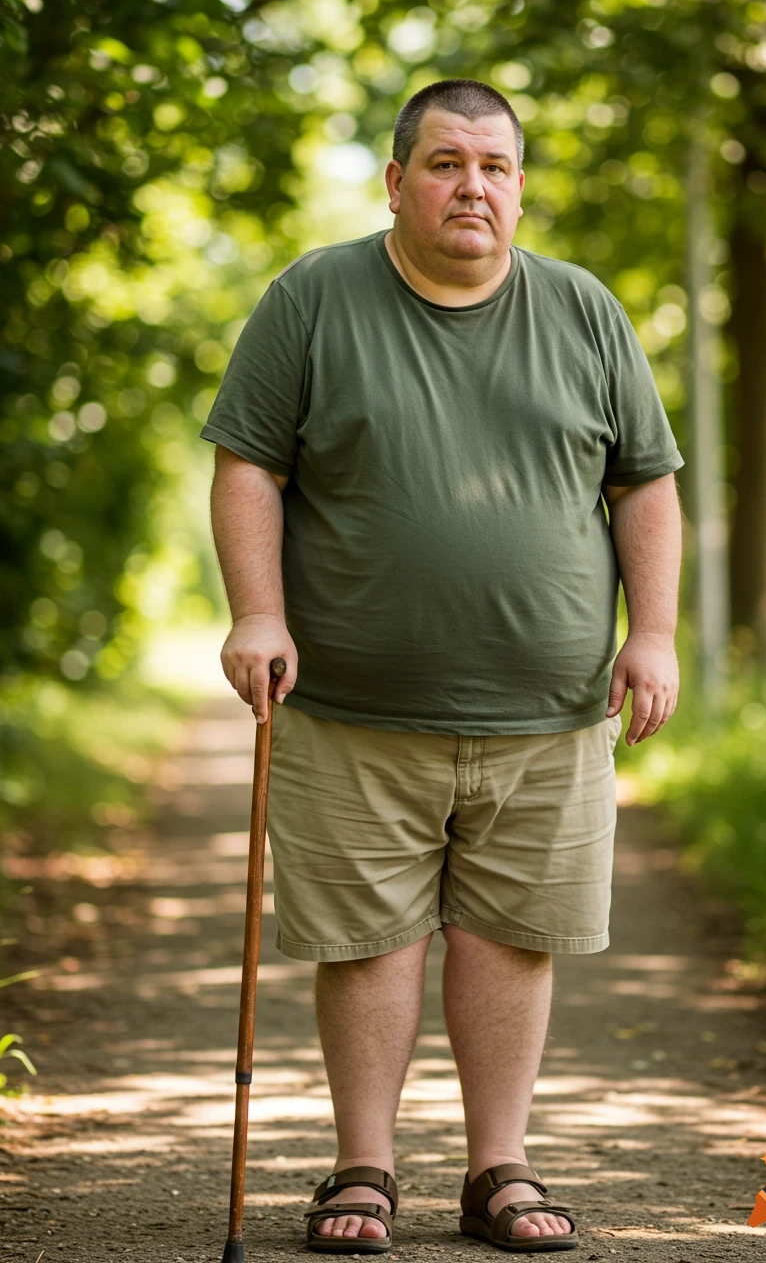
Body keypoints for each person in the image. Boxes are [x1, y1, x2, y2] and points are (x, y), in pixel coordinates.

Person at [200, 78, 684, 1255]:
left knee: (510, 933)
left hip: (547, 707)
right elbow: (247, 462)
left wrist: (654, 632)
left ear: (519, 185)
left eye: (496, 166)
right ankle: (360, 1167)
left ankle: (498, 1168)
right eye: (445, 163)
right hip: (354, 706)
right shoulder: (314, 297)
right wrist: (254, 614)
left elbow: (643, 481)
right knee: (364, 938)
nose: (473, 186)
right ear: (397, 180)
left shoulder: (582, 310)